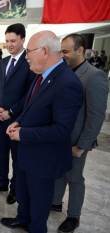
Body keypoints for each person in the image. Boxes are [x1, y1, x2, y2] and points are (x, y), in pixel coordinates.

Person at [0, 31, 83, 233]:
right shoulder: (42, 76)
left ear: (44, 51)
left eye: (29, 51)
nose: (26, 56)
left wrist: (23, 134)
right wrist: (18, 121)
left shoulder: (67, 83)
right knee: (24, 192)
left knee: (38, 202)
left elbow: (62, 130)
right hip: (28, 152)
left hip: (44, 158)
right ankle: (22, 218)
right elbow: (31, 107)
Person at [52, 34, 109, 233]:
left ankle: (73, 216)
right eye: (61, 51)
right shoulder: (63, 72)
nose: (63, 55)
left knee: (75, 178)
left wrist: (82, 146)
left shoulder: (94, 76)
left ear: (80, 50)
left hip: (77, 140)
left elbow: (96, 116)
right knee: (59, 172)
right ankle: (56, 202)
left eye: (66, 51)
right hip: (60, 137)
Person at [0, 23, 34, 205]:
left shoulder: (29, 62)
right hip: (0, 119)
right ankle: (2, 182)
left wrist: (11, 112)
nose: (9, 44)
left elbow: (29, 94)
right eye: (7, 41)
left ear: (22, 39)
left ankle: (15, 188)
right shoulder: (3, 62)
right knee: (0, 153)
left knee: (17, 156)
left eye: (13, 40)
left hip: (17, 120)